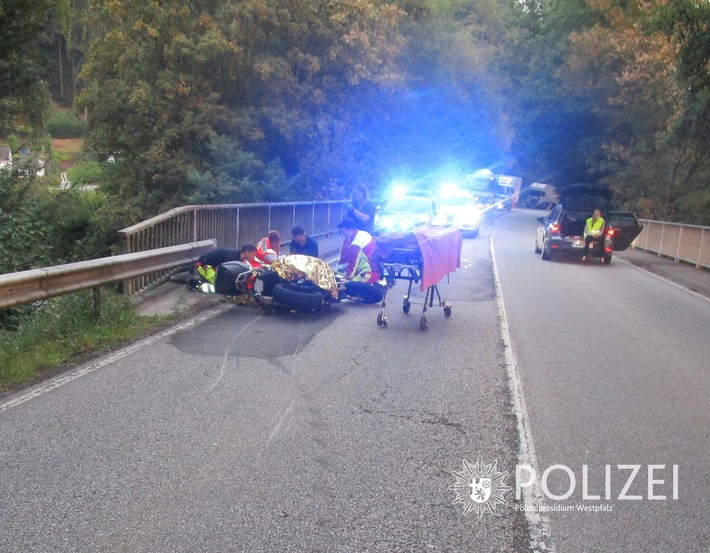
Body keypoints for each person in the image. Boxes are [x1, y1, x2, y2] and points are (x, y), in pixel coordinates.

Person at [337, 217, 384, 303]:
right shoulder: (361, 234)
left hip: (370, 272)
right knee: (339, 272)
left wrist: (343, 281)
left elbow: (352, 266)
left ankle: (354, 294)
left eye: (344, 232)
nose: (343, 234)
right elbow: (344, 257)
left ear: (350, 229)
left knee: (348, 284)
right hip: (371, 265)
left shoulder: (356, 243)